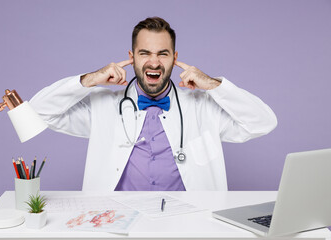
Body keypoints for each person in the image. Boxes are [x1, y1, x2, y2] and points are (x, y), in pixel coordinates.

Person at [30, 17, 277, 191]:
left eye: (163, 53)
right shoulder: (103, 106)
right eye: (145, 53)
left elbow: (263, 122)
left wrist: (212, 84)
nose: (154, 63)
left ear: (175, 58)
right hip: (117, 222)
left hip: (190, 224)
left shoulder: (203, 106)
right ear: (132, 57)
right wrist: (92, 79)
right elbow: (39, 111)